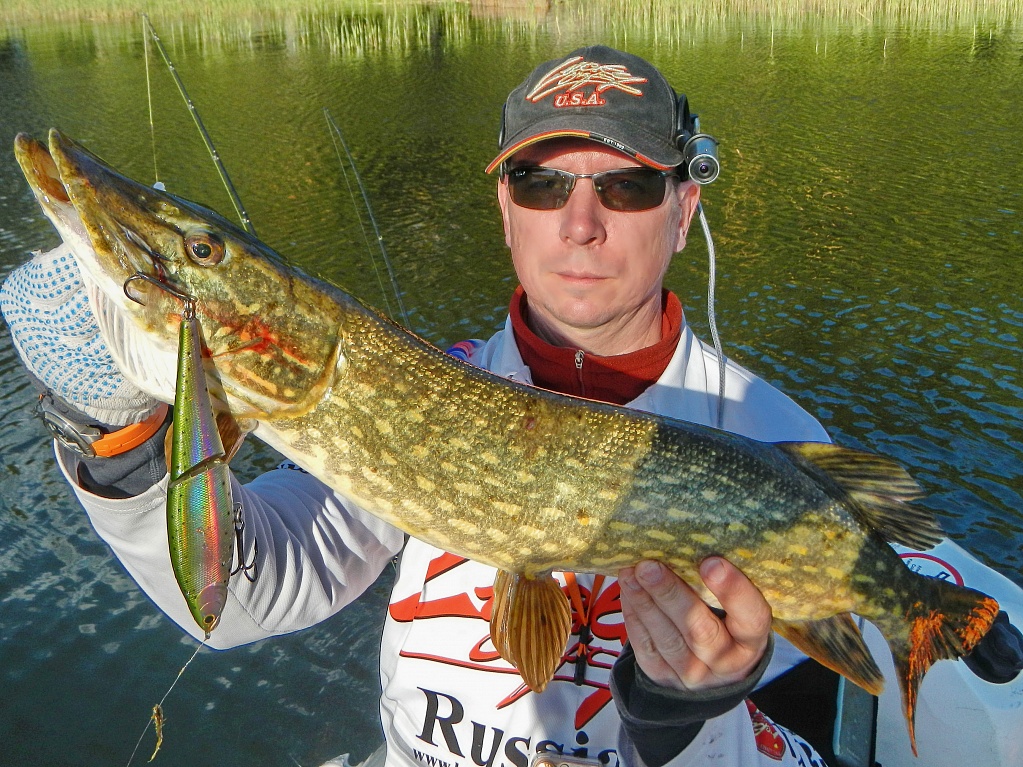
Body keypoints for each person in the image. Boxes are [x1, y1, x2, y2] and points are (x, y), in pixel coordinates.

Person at [1, 46, 837, 766]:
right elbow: (234, 597)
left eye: (625, 187)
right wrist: (121, 436)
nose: (579, 223)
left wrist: (677, 715)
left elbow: (800, 740)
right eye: (540, 183)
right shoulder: (422, 391)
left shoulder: (777, 448)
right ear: (505, 209)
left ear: (682, 210)